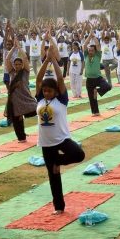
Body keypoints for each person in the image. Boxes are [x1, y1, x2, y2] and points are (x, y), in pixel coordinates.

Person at [35, 44, 85, 214]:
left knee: (79, 154)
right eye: (45, 91)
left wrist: (54, 61)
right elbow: (38, 80)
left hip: (62, 139)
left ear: (56, 92)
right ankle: (59, 207)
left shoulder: (61, 100)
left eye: (49, 91)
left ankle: (59, 162)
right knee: (53, 177)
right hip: (46, 143)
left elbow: (61, 79)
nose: (46, 93)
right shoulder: (40, 100)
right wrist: (46, 60)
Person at [4, 24, 37, 142]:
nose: (17, 66)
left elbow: (26, 59)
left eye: (19, 64)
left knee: (38, 109)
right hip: (15, 100)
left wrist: (19, 49)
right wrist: (13, 48)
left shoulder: (25, 72)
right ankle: (21, 137)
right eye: (16, 64)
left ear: (22, 65)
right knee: (17, 118)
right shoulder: (12, 73)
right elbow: (7, 59)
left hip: (26, 98)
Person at [82, 25, 112, 116]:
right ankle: (95, 112)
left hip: (98, 78)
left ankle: (97, 91)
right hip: (89, 79)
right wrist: (89, 36)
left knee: (108, 86)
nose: (90, 52)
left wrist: (94, 36)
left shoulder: (98, 56)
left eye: (92, 50)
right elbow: (84, 45)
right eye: (89, 50)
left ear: (95, 51)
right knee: (92, 98)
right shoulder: (86, 55)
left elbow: (98, 45)